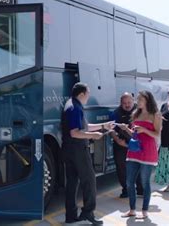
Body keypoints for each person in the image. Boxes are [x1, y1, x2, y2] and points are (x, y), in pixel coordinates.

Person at [61, 82, 113, 225]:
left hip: (68, 150)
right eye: (88, 93)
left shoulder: (71, 104)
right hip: (77, 150)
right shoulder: (75, 108)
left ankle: (70, 216)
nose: (89, 96)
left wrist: (103, 126)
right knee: (89, 180)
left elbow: (85, 126)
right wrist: (93, 136)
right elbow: (75, 133)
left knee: (72, 183)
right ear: (82, 94)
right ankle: (87, 213)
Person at [119, 90, 161, 220]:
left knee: (144, 182)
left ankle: (144, 211)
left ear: (148, 100)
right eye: (137, 99)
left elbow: (157, 134)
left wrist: (144, 130)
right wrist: (127, 130)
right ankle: (132, 210)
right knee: (129, 182)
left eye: (140, 99)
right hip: (134, 151)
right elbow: (135, 134)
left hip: (148, 151)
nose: (138, 101)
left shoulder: (156, 115)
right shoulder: (135, 114)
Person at [109, 92, 144, 198]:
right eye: (124, 103)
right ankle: (126, 189)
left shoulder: (140, 111)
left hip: (136, 143)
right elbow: (111, 129)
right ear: (120, 103)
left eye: (129, 102)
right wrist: (117, 140)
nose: (127, 105)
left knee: (138, 167)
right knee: (121, 168)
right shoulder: (116, 113)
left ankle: (141, 189)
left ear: (133, 101)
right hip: (121, 144)